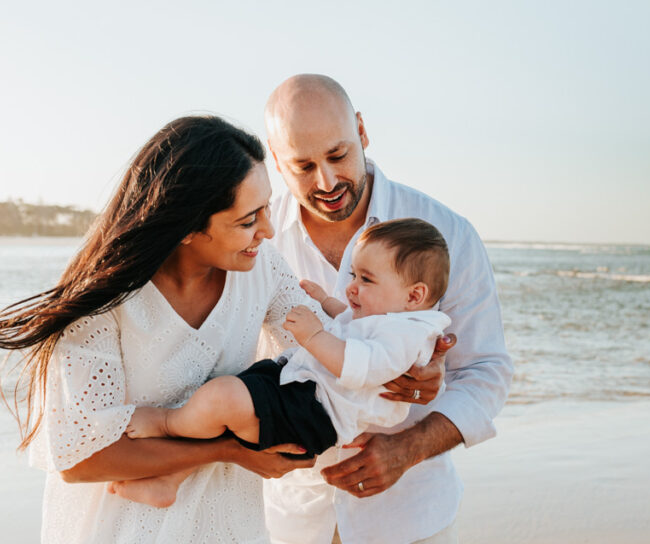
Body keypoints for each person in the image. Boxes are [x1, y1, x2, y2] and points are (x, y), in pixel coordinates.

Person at [0, 115, 318, 544]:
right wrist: (228, 451)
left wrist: (403, 354)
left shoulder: (261, 270)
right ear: (186, 226)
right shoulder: (106, 302)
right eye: (248, 219)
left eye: (267, 210)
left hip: (224, 542)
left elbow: (324, 353)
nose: (269, 231)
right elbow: (82, 457)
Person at [258, 75, 513, 544]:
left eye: (339, 155)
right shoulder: (256, 240)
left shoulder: (445, 232)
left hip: (411, 513)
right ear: (276, 162)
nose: (326, 181)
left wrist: (407, 446)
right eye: (303, 165)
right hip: (289, 513)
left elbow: (488, 372)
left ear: (363, 132)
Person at [116, 218, 451, 509]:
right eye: (353, 274)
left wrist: (314, 335)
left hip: (313, 412)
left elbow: (360, 366)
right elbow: (350, 323)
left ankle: (164, 423)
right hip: (297, 384)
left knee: (224, 398)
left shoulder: (408, 334)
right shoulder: (386, 316)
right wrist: (325, 301)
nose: (352, 286)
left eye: (366, 279)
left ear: (414, 296)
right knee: (229, 404)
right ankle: (170, 479)